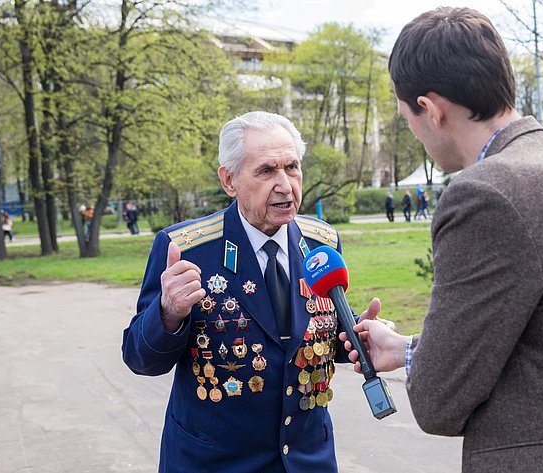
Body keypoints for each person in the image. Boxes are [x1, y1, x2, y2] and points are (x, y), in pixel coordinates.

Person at [342, 8, 543, 472]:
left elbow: (439, 402)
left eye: (408, 118)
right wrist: (407, 348)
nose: (414, 132)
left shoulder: (486, 194)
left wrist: (427, 367)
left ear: (432, 110)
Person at [122, 111, 378, 473]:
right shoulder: (186, 249)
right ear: (229, 180)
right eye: (266, 171)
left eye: (292, 167)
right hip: (216, 463)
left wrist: (357, 335)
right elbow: (139, 358)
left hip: (308, 461)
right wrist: (167, 313)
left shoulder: (321, 242)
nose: (285, 185)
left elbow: (315, 341)